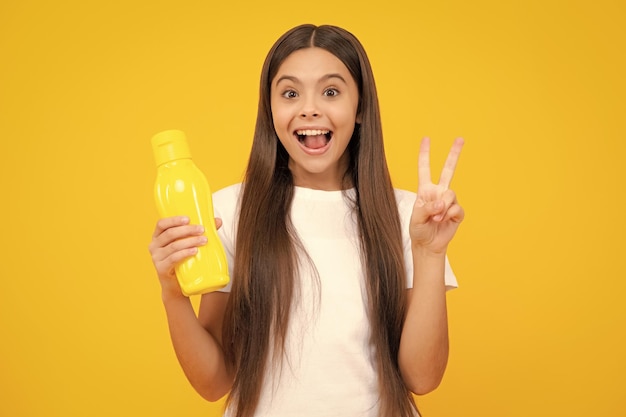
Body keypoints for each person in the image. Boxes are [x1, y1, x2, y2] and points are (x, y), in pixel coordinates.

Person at [148, 24, 465, 417]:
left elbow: (423, 378)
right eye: (290, 93)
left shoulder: (408, 217)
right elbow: (214, 383)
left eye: (331, 92)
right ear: (271, 109)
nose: (309, 108)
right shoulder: (230, 212)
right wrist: (172, 294)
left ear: (361, 106)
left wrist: (429, 253)